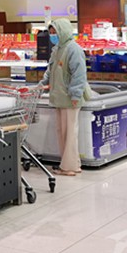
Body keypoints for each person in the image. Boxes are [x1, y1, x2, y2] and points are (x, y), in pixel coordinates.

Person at [37, 19, 90, 176]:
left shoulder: (74, 49)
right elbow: (50, 71)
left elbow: (79, 74)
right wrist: (42, 84)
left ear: (63, 31)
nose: (53, 35)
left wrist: (75, 94)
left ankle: (69, 167)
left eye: (55, 32)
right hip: (59, 97)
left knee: (70, 133)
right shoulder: (57, 49)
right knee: (63, 132)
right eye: (51, 33)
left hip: (70, 98)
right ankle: (71, 164)